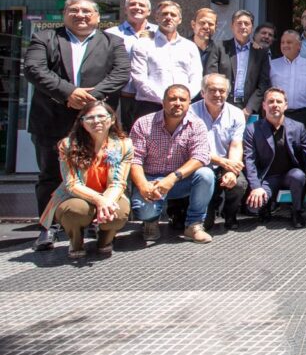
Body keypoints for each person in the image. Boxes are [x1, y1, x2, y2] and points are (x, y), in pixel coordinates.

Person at [24, 0, 130, 251]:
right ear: (65, 15)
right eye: (74, 10)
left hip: (96, 124)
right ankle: (48, 227)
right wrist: (68, 93)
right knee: (49, 175)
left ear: (97, 17)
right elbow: (34, 69)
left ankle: (96, 221)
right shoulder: (45, 38)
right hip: (52, 120)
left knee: (99, 174)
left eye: (86, 11)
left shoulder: (113, 42)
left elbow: (121, 74)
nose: (80, 15)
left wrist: (88, 99)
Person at [39, 101, 132, 259]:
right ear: (82, 122)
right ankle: (76, 242)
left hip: (108, 193)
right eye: (90, 118)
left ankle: (105, 240)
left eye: (101, 116)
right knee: (76, 210)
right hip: (75, 196)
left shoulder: (124, 145)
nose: (96, 121)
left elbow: (118, 182)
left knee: (119, 211)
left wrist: (105, 202)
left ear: (112, 119)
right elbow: (72, 184)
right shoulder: (68, 145)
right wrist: (99, 200)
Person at [129, 84, 214, 244]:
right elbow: (134, 159)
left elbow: (200, 157)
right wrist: (143, 185)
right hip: (151, 181)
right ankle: (150, 222)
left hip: (180, 180)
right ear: (163, 102)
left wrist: (172, 178)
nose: (177, 103)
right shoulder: (144, 123)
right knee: (145, 212)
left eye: (182, 99)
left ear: (189, 103)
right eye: (172, 99)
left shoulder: (197, 124)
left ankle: (194, 225)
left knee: (206, 175)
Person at [242, 87, 306, 228]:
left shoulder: (298, 127)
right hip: (267, 177)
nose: (275, 105)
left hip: (290, 175)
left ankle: (297, 211)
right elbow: (249, 160)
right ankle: (266, 206)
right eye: (270, 101)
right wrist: (255, 187)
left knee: (298, 176)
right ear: (264, 105)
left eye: (279, 101)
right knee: (254, 206)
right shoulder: (252, 129)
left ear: (286, 105)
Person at [191, 74, 248, 232]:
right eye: (212, 90)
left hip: (225, 163)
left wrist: (231, 170)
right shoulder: (191, 112)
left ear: (227, 93)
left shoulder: (236, 113)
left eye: (222, 91)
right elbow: (193, 149)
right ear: (202, 92)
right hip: (200, 166)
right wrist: (223, 162)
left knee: (239, 183)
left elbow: (236, 145)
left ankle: (230, 214)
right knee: (206, 225)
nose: (217, 94)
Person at [130, 0, 203, 118]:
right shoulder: (143, 44)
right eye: (164, 14)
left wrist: (182, 99)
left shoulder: (190, 46)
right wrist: (166, 99)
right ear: (157, 17)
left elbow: (196, 78)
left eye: (173, 15)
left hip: (183, 107)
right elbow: (139, 79)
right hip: (151, 106)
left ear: (180, 20)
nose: (169, 17)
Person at [204, 9, 271, 116]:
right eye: (239, 23)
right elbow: (211, 76)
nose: (243, 26)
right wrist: (220, 104)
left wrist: (249, 109)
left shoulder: (261, 53)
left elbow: (263, 84)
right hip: (221, 106)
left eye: (246, 23)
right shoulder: (219, 48)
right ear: (232, 26)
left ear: (252, 27)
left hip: (249, 110)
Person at [105, 0, 157, 130]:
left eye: (142, 5)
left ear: (149, 11)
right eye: (133, 4)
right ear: (125, 9)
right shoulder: (111, 33)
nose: (137, 7)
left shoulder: (159, 33)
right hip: (121, 97)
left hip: (150, 98)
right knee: (120, 134)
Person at [271, 30, 306, 131]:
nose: (285, 45)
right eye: (282, 42)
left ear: (299, 46)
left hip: (303, 115)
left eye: (289, 42)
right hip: (278, 113)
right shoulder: (272, 65)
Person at [189, 7, 219, 73]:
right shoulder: (182, 48)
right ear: (193, 25)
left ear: (215, 28)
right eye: (202, 23)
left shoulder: (220, 51)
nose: (206, 27)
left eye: (210, 24)